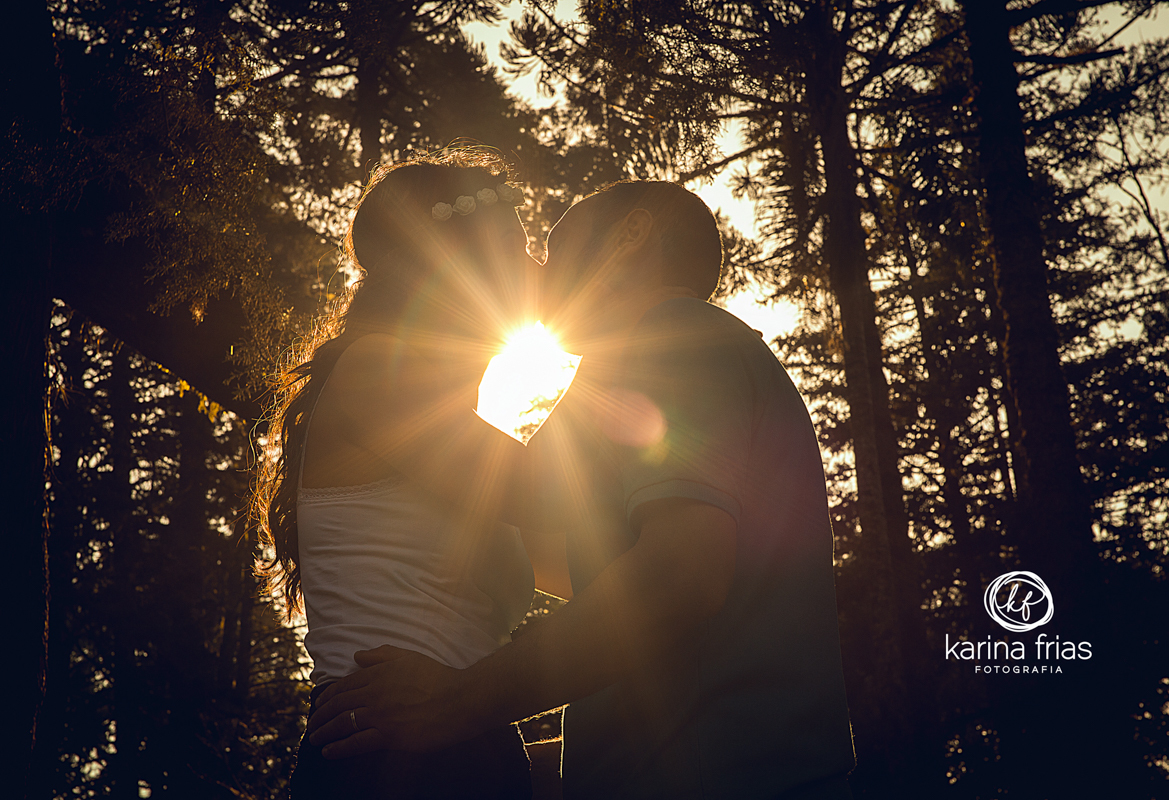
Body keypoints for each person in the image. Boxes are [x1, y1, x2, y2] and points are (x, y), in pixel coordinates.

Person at [307, 180, 858, 799]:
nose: (538, 271)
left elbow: (673, 575)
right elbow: (597, 572)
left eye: (552, 244)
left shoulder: (673, 337)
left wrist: (462, 706)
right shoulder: (640, 370)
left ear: (631, 234)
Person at [253, 149, 542, 799]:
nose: (535, 270)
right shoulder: (380, 371)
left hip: (460, 744)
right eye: (513, 248)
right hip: (386, 757)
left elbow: (598, 557)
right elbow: (563, 502)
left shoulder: (451, 420)